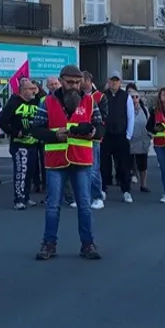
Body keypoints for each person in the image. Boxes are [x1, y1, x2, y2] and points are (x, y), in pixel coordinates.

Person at [30, 65, 104, 260]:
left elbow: (100, 127)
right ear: (61, 81)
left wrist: (93, 132)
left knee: (85, 205)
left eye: (78, 82)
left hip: (81, 159)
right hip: (56, 160)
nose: (74, 86)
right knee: (53, 205)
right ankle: (49, 244)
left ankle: (88, 244)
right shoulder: (47, 101)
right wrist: (54, 135)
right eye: (70, 82)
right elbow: (36, 130)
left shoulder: (89, 101)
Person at [1, 77, 41, 210]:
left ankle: (26, 196)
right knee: (21, 171)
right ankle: (18, 199)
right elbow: (3, 122)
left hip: (33, 143)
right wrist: (15, 132)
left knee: (30, 171)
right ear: (23, 90)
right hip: (19, 144)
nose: (34, 91)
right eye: (31, 89)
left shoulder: (36, 102)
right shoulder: (13, 103)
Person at [100, 72, 135, 203]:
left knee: (124, 165)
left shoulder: (126, 97)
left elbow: (130, 116)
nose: (114, 83)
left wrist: (128, 135)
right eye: (112, 80)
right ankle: (102, 189)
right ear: (108, 81)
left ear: (120, 82)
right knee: (103, 164)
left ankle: (126, 191)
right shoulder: (103, 96)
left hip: (121, 135)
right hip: (106, 135)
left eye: (117, 80)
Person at [82, 71, 106, 209]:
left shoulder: (99, 97)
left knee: (93, 169)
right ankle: (84, 196)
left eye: (84, 80)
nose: (82, 84)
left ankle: (97, 196)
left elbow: (103, 117)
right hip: (78, 139)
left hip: (94, 138)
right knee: (81, 169)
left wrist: (92, 130)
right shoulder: (76, 97)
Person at [128, 87, 152, 192]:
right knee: (127, 165)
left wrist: (150, 135)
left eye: (136, 97)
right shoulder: (126, 109)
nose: (135, 99)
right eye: (132, 97)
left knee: (143, 165)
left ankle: (143, 185)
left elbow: (150, 122)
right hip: (130, 141)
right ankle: (126, 185)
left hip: (142, 141)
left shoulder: (144, 109)